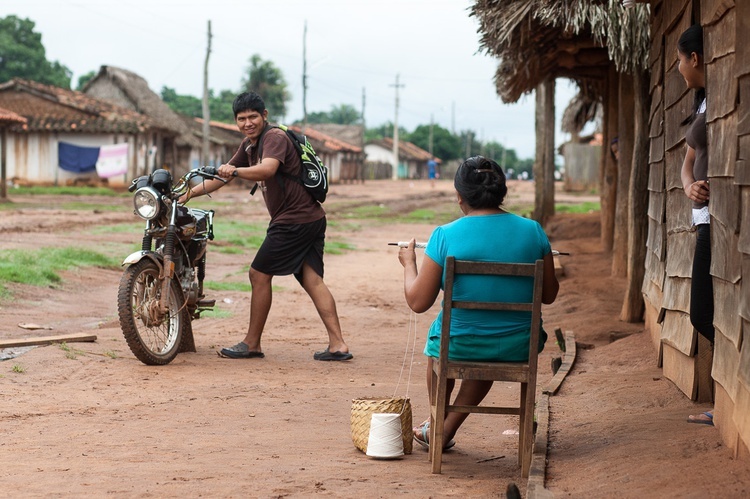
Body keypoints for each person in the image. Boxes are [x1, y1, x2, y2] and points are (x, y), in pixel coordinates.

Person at [397, 155, 559, 449]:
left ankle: (438, 427)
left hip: (458, 343)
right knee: (489, 349)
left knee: (440, 346)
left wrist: (409, 263)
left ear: (460, 196)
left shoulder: (445, 235)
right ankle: (443, 430)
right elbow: (549, 295)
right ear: (502, 192)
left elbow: (418, 302)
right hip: (517, 344)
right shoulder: (533, 231)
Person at [180, 91, 352, 361]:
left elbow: (267, 169)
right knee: (312, 279)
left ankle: (252, 343)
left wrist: (232, 170)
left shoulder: (273, 138)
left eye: (252, 117)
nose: (247, 123)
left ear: (264, 116)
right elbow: (222, 178)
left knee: (258, 274)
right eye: (241, 119)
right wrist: (188, 194)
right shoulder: (250, 144)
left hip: (293, 221)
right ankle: (338, 344)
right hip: (311, 218)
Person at [677, 25, 715, 425]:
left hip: (721, 223)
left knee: (703, 313)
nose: (679, 68)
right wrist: (689, 188)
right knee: (705, 312)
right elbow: (687, 164)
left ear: (695, 58)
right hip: (703, 218)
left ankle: (731, 399)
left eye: (680, 60)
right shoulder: (703, 104)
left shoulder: (721, 101)